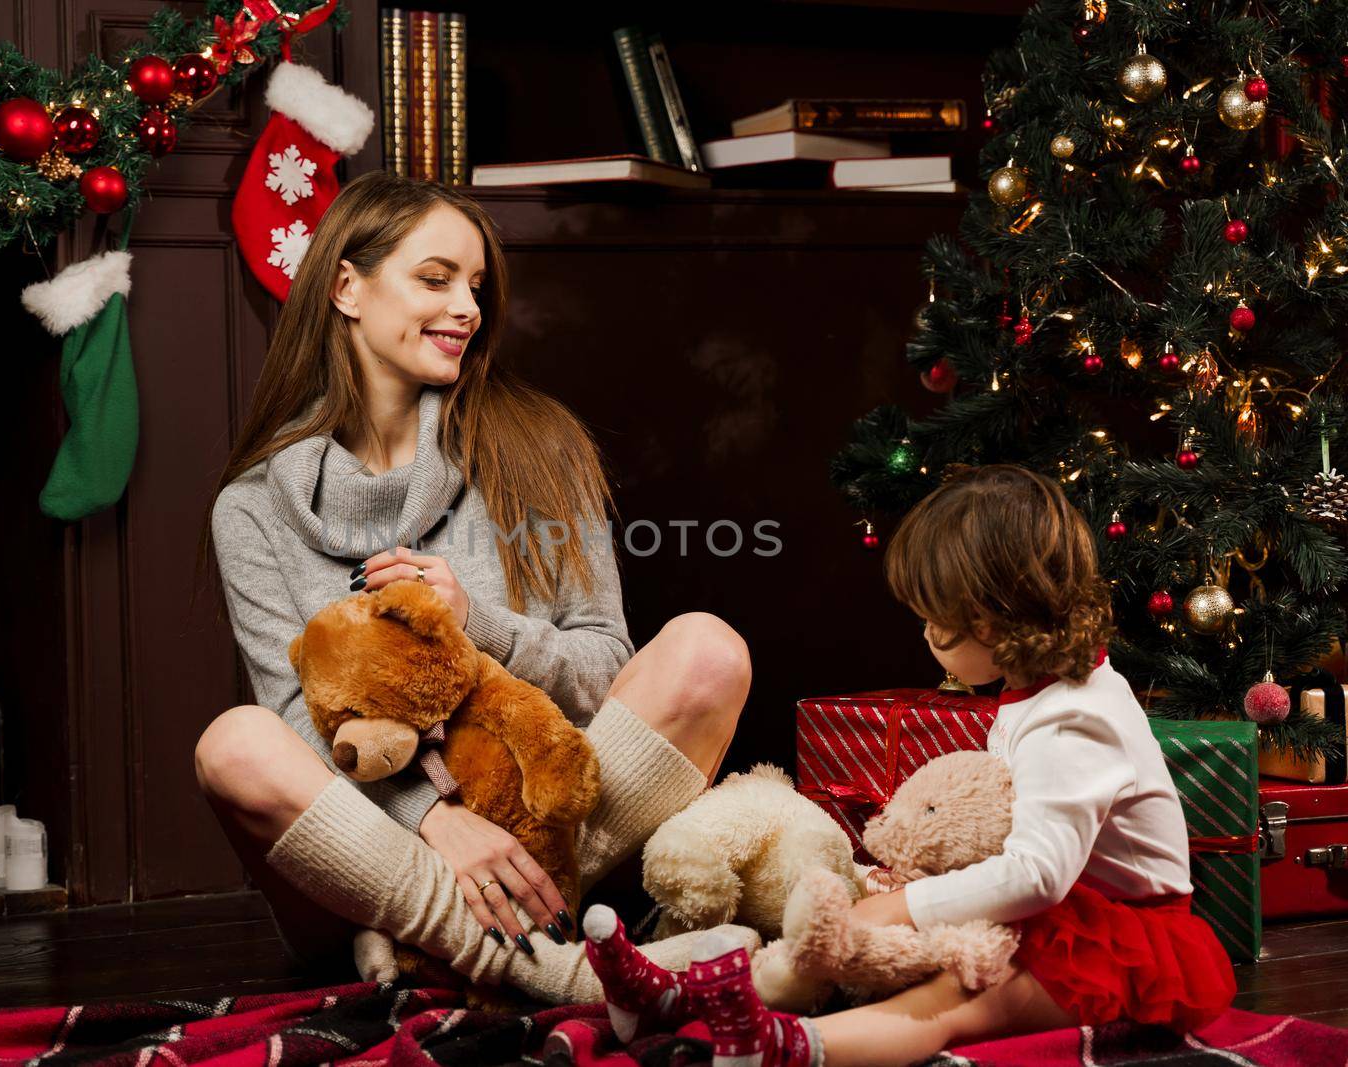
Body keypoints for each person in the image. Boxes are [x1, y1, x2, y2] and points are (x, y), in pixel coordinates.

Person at [193, 171, 757, 1004]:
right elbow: (292, 720)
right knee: (233, 743)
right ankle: (573, 974)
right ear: (347, 286)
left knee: (710, 649)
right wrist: (433, 816)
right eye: (435, 278)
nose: (468, 308)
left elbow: (607, 666)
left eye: (476, 286)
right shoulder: (249, 510)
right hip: (369, 859)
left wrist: (478, 622)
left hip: (549, 825)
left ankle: (460, 944)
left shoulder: (538, 446)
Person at [577, 465, 1235, 1065]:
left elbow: (1038, 874)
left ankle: (790, 1046)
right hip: (1057, 911)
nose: (925, 637)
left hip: (1120, 941)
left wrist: (903, 907)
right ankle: (683, 998)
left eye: (938, 624)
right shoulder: (1040, 688)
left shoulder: (1074, 719)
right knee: (834, 931)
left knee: (953, 1001)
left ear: (997, 620)